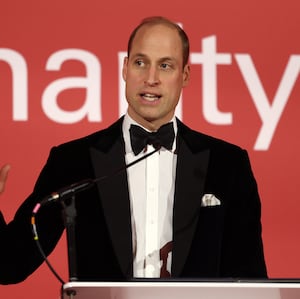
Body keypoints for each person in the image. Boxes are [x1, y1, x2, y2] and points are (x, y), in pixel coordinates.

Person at [0, 16, 267, 284]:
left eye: (165, 65)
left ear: (184, 76)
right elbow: (10, 264)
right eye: (141, 63)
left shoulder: (228, 164)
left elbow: (251, 282)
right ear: (125, 68)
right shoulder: (72, 161)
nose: (151, 79)